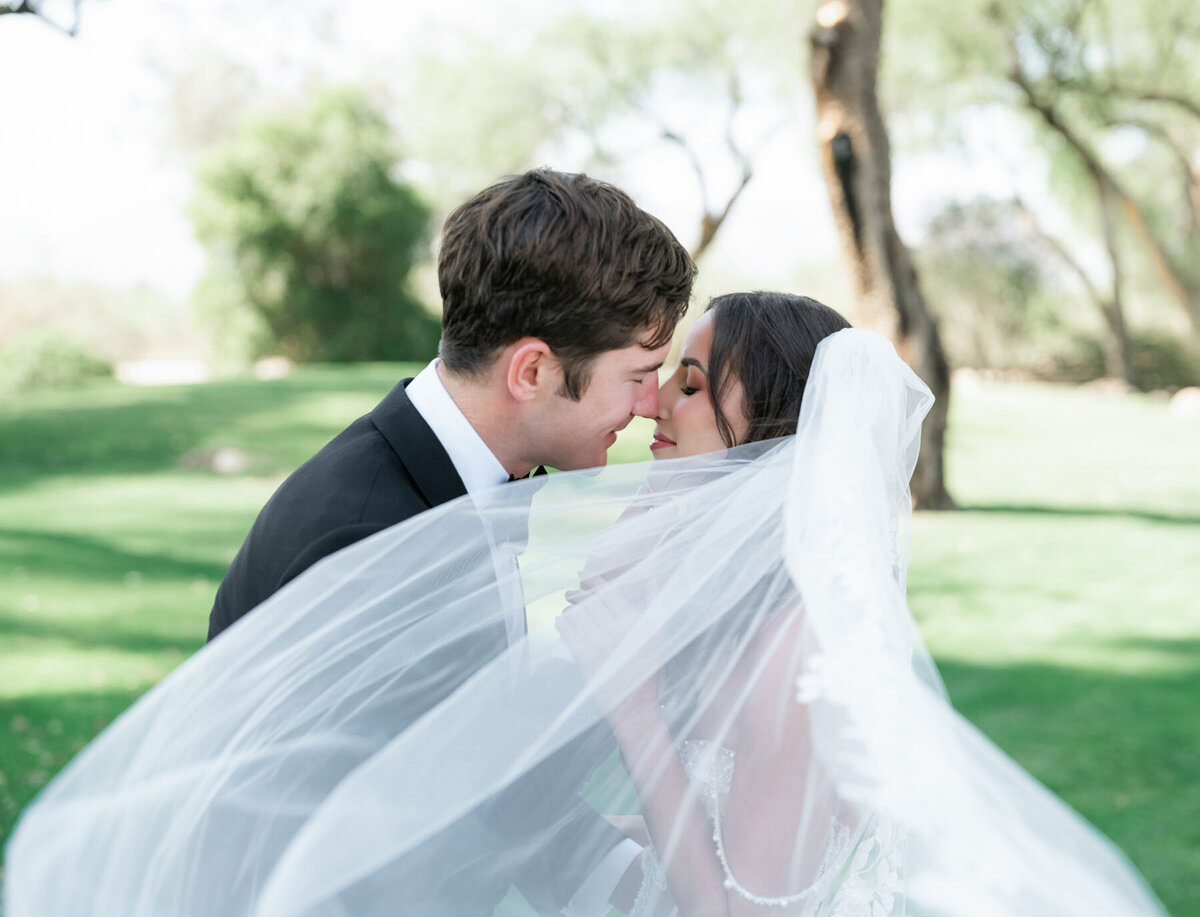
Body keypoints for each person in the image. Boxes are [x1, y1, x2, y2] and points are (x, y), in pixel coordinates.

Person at [4, 295, 1167, 917]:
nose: (656, 403)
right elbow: (703, 841)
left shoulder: (791, 642)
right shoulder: (720, 607)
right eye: (655, 373)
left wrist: (626, 698)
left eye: (694, 380)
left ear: (773, 435)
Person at [207, 166, 694, 641]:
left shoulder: (450, 482)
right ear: (532, 372)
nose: (650, 404)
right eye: (639, 374)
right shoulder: (370, 545)